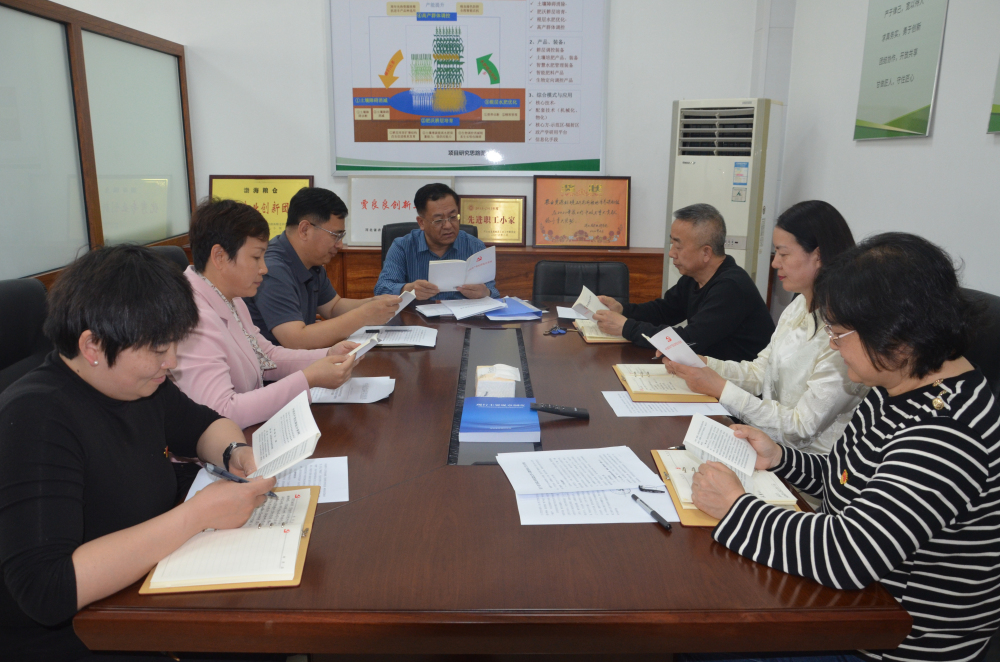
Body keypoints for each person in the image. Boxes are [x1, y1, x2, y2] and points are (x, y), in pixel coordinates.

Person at [687, 233, 999, 662]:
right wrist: (779, 458)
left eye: (839, 333)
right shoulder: (896, 383)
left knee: (706, 643)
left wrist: (735, 507)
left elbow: (847, 555)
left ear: (896, 334)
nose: (833, 345)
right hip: (851, 605)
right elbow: (846, 477)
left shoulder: (946, 431)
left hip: (893, 638)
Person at [0, 245, 276, 661]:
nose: (172, 361)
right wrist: (197, 515)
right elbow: (47, 589)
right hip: (87, 632)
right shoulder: (36, 417)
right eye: (159, 349)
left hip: (147, 587)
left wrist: (235, 451)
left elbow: (203, 425)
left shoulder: (140, 385)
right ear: (92, 346)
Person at [662, 201, 868, 455]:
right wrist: (705, 364)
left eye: (783, 254)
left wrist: (721, 388)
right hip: (769, 446)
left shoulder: (846, 334)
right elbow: (761, 372)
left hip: (811, 466)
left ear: (818, 255)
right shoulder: (798, 306)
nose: (775, 263)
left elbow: (801, 427)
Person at [173, 198, 361, 429]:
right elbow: (221, 411)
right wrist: (308, 378)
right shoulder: (192, 317)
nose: (264, 268)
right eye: (256, 257)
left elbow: (265, 355)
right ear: (219, 256)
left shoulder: (231, 296)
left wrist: (327, 355)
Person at [593, 203, 773, 360]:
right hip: (709, 372)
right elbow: (664, 311)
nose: (672, 253)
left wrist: (626, 327)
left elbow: (688, 342)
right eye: (672, 244)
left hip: (738, 383)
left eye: (678, 246)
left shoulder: (731, 288)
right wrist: (623, 310)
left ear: (706, 253)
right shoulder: (693, 277)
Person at [245, 187, 402, 349]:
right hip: (271, 363)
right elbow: (296, 339)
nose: (339, 244)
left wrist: (374, 303)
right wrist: (364, 316)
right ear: (305, 230)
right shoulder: (272, 268)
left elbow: (334, 307)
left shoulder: (313, 262)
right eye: (335, 235)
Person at [373, 183, 501, 301]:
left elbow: (493, 292)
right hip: (415, 317)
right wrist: (407, 289)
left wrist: (485, 292)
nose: (448, 226)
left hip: (463, 317)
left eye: (453, 217)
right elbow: (381, 289)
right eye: (439, 220)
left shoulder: (474, 246)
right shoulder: (402, 247)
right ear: (421, 223)